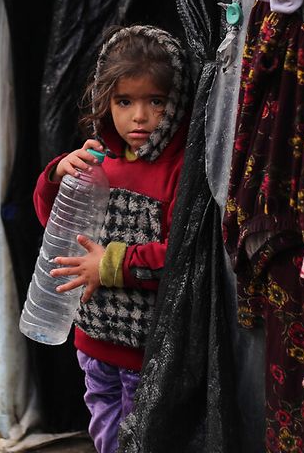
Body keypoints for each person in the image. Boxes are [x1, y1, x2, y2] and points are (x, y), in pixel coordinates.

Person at [33, 25, 192, 453]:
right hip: (94, 341)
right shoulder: (98, 162)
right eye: (124, 102)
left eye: (155, 101)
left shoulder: (178, 170)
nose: (138, 117)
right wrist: (56, 174)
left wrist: (108, 265)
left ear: (176, 103)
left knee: (144, 439)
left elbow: (179, 255)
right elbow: (55, 224)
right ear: (106, 102)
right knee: (105, 429)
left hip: (147, 350)